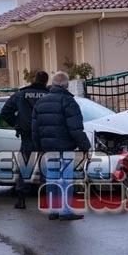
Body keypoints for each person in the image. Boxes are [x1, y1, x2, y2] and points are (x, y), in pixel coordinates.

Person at [32, 71, 90, 221]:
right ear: (66, 85)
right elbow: (75, 128)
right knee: (64, 180)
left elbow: (35, 128)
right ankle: (65, 211)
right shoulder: (68, 102)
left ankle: (53, 210)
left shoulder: (41, 102)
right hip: (64, 147)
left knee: (52, 179)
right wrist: (85, 147)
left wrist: (39, 147)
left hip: (48, 149)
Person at [0, 70, 49, 209]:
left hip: (27, 135)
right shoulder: (49, 95)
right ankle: (45, 199)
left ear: (34, 79)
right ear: (45, 81)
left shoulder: (21, 94)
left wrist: (17, 123)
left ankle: (21, 198)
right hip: (44, 134)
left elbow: (5, 112)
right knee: (45, 167)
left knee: (25, 167)